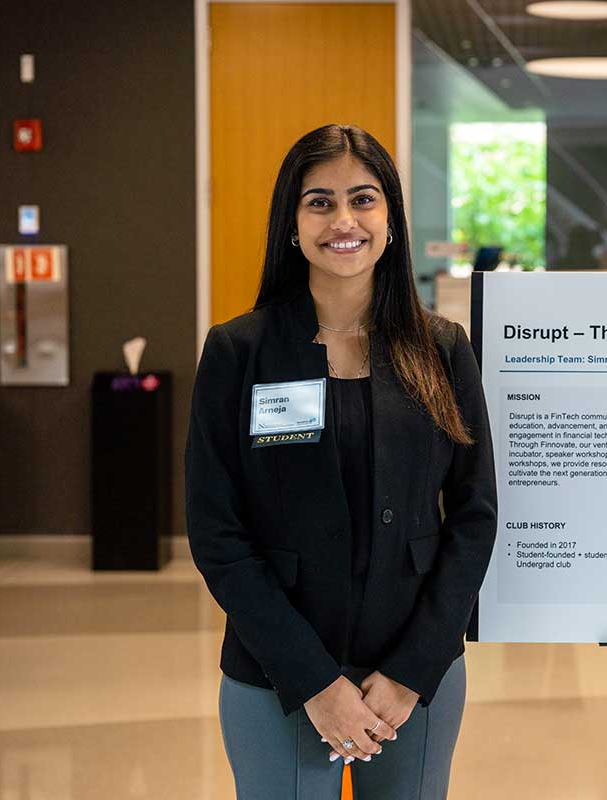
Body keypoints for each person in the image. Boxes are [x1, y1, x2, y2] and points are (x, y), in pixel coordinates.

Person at [186, 124, 497, 799]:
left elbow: (475, 517)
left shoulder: (442, 349)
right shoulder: (240, 352)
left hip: (414, 678)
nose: (344, 220)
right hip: (278, 677)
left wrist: (414, 668)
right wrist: (316, 685)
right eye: (319, 202)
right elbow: (217, 532)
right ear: (292, 224)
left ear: (390, 219)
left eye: (364, 199)